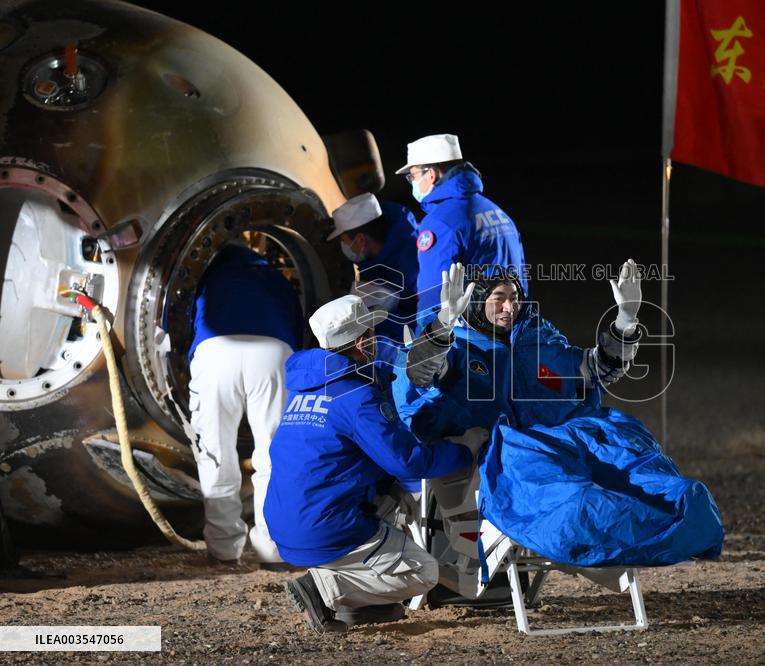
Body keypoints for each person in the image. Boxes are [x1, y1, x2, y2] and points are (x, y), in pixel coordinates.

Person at [394, 262, 725, 569]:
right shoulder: (458, 346)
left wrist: (625, 321)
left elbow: (593, 371)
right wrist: (442, 326)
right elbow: (421, 372)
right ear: (477, 301)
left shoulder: (535, 337)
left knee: (640, 469)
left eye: (514, 298)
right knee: (578, 500)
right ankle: (616, 528)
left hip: (569, 435)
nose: (509, 307)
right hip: (510, 448)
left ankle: (684, 520)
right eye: (499, 299)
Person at [263, 295, 483, 633]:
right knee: (423, 571)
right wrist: (464, 451)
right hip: (325, 529)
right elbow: (408, 462)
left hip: (285, 526)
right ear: (363, 340)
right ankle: (325, 589)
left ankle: (356, 605)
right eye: (373, 332)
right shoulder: (356, 397)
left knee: (391, 497)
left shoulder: (304, 391)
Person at [188, 244, 303, 568]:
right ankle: (272, 548)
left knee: (216, 452)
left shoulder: (212, 274)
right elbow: (298, 325)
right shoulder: (276, 277)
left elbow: (190, 323)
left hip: (215, 352)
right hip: (273, 351)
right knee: (272, 453)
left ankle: (224, 550)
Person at [394, 134, 527, 327]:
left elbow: (434, 294)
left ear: (431, 174)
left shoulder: (439, 222)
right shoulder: (496, 211)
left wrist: (425, 344)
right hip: (508, 328)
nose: (412, 183)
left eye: (412, 176)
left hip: (469, 341)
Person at [326, 193, 419, 383]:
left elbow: (421, 319)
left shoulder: (410, 265)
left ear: (361, 240)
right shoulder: (380, 257)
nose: (342, 246)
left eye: (343, 240)